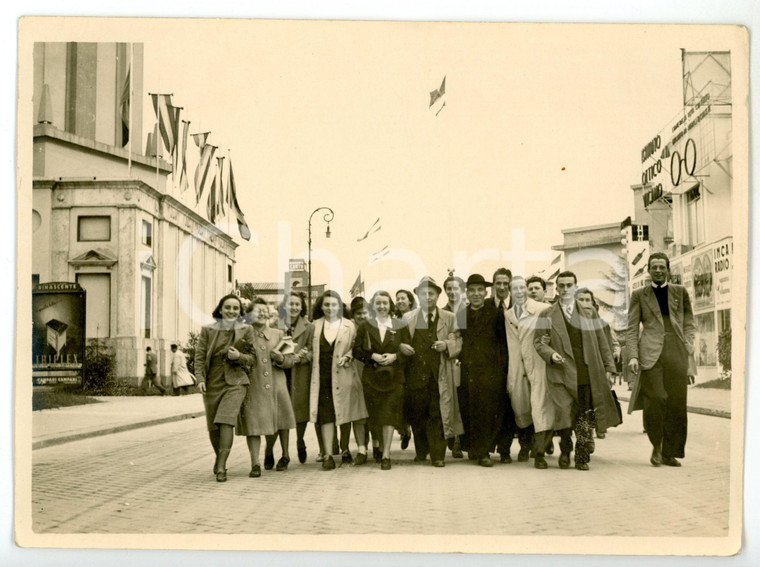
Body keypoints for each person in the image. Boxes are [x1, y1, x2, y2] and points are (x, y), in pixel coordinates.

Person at [533, 271, 620, 471]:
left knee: (584, 414)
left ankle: (581, 456)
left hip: (586, 370)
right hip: (561, 370)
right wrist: (550, 354)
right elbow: (538, 342)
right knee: (563, 413)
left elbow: (602, 341)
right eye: (561, 286)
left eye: (568, 285)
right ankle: (565, 450)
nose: (564, 289)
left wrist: (609, 368)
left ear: (575, 287)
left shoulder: (589, 312)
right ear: (556, 288)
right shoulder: (547, 314)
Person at [626, 252, 695, 468]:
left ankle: (669, 453)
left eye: (661, 267)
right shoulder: (639, 295)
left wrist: (689, 342)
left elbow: (689, 321)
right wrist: (633, 356)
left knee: (676, 402)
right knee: (655, 398)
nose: (658, 270)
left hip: (676, 350)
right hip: (650, 352)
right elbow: (631, 328)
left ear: (668, 270)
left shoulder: (680, 292)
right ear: (648, 270)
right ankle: (656, 444)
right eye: (654, 267)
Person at [399, 276, 463, 468]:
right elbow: (399, 342)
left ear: (437, 295)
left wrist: (447, 345)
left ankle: (438, 455)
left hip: (439, 375)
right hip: (415, 375)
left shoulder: (450, 318)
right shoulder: (408, 318)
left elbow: (459, 341)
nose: (427, 297)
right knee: (418, 415)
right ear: (417, 296)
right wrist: (402, 346)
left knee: (438, 414)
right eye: (423, 293)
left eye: (431, 293)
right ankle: (421, 452)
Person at [195, 294, 256, 482]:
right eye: (228, 307)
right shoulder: (208, 330)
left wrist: (239, 356)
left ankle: (221, 466)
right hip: (212, 381)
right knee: (214, 425)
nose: (231, 311)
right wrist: (200, 379)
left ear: (240, 312)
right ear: (220, 309)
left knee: (226, 420)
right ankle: (219, 457)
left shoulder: (246, 329)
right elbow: (199, 356)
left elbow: (252, 359)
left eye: (235, 308)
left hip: (236, 382)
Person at [309, 290, 369, 470]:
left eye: (334, 304)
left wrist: (349, 355)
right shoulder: (314, 326)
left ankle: (354, 450)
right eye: (326, 304)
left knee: (352, 412)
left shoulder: (349, 325)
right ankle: (328, 454)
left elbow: (356, 346)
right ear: (321, 306)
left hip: (345, 374)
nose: (330, 308)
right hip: (323, 377)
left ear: (340, 307)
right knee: (326, 415)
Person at [236, 298, 296, 477]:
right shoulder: (242, 334)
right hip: (253, 385)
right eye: (257, 311)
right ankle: (255, 463)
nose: (262, 314)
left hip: (277, 385)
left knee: (282, 421)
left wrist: (280, 358)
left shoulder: (279, 333)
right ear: (248, 315)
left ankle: (285, 455)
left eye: (265, 311)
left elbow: (291, 360)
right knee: (253, 424)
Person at [353, 291, 410, 469]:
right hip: (372, 378)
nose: (382, 306)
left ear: (390, 305)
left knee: (389, 415)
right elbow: (356, 351)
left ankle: (386, 455)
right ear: (373, 305)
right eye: (378, 303)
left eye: (385, 303)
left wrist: (395, 357)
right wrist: (372, 356)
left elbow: (408, 350)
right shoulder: (365, 326)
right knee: (376, 415)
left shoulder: (400, 325)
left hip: (394, 378)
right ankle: (377, 450)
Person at [458, 274, 509, 467]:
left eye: (480, 290)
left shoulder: (495, 314)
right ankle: (474, 448)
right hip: (468, 371)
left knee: (488, 411)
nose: (476, 294)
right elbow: (459, 340)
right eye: (472, 290)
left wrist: (502, 370)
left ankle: (485, 452)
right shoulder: (461, 314)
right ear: (467, 293)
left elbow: (503, 344)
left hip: (490, 371)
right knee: (470, 410)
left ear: (486, 292)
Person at [505, 276, 554, 469]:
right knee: (519, 403)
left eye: (521, 288)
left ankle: (539, 448)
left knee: (540, 403)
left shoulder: (542, 310)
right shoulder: (508, 314)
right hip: (517, 364)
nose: (518, 291)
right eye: (514, 288)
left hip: (537, 361)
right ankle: (525, 444)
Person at [267, 291, 316, 466]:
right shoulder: (275, 325)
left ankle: (300, 440)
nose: (294, 307)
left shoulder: (309, 327)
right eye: (291, 304)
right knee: (279, 412)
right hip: (279, 373)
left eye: (297, 304)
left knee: (300, 411)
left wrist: (299, 358)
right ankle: (276, 451)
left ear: (302, 307)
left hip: (300, 373)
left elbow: (311, 350)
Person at [575, 287, 622, 441]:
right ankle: (587, 435)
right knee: (584, 404)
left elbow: (606, 344)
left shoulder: (601, 323)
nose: (584, 303)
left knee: (597, 401)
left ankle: (597, 428)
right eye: (580, 299)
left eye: (587, 300)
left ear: (593, 303)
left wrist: (609, 368)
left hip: (598, 369)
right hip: (580, 369)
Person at [442, 274, 466, 459]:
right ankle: (455, 440)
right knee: (452, 401)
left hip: (468, 362)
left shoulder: (468, 310)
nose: (452, 292)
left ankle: (466, 441)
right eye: (448, 288)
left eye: (455, 288)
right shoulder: (442, 312)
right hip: (449, 362)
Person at [393, 290, 416, 451]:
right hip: (398, 365)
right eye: (398, 299)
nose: (400, 301)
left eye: (403, 298)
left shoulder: (416, 316)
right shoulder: (394, 320)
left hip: (413, 363)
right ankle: (404, 430)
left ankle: (410, 430)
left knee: (412, 402)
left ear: (410, 301)